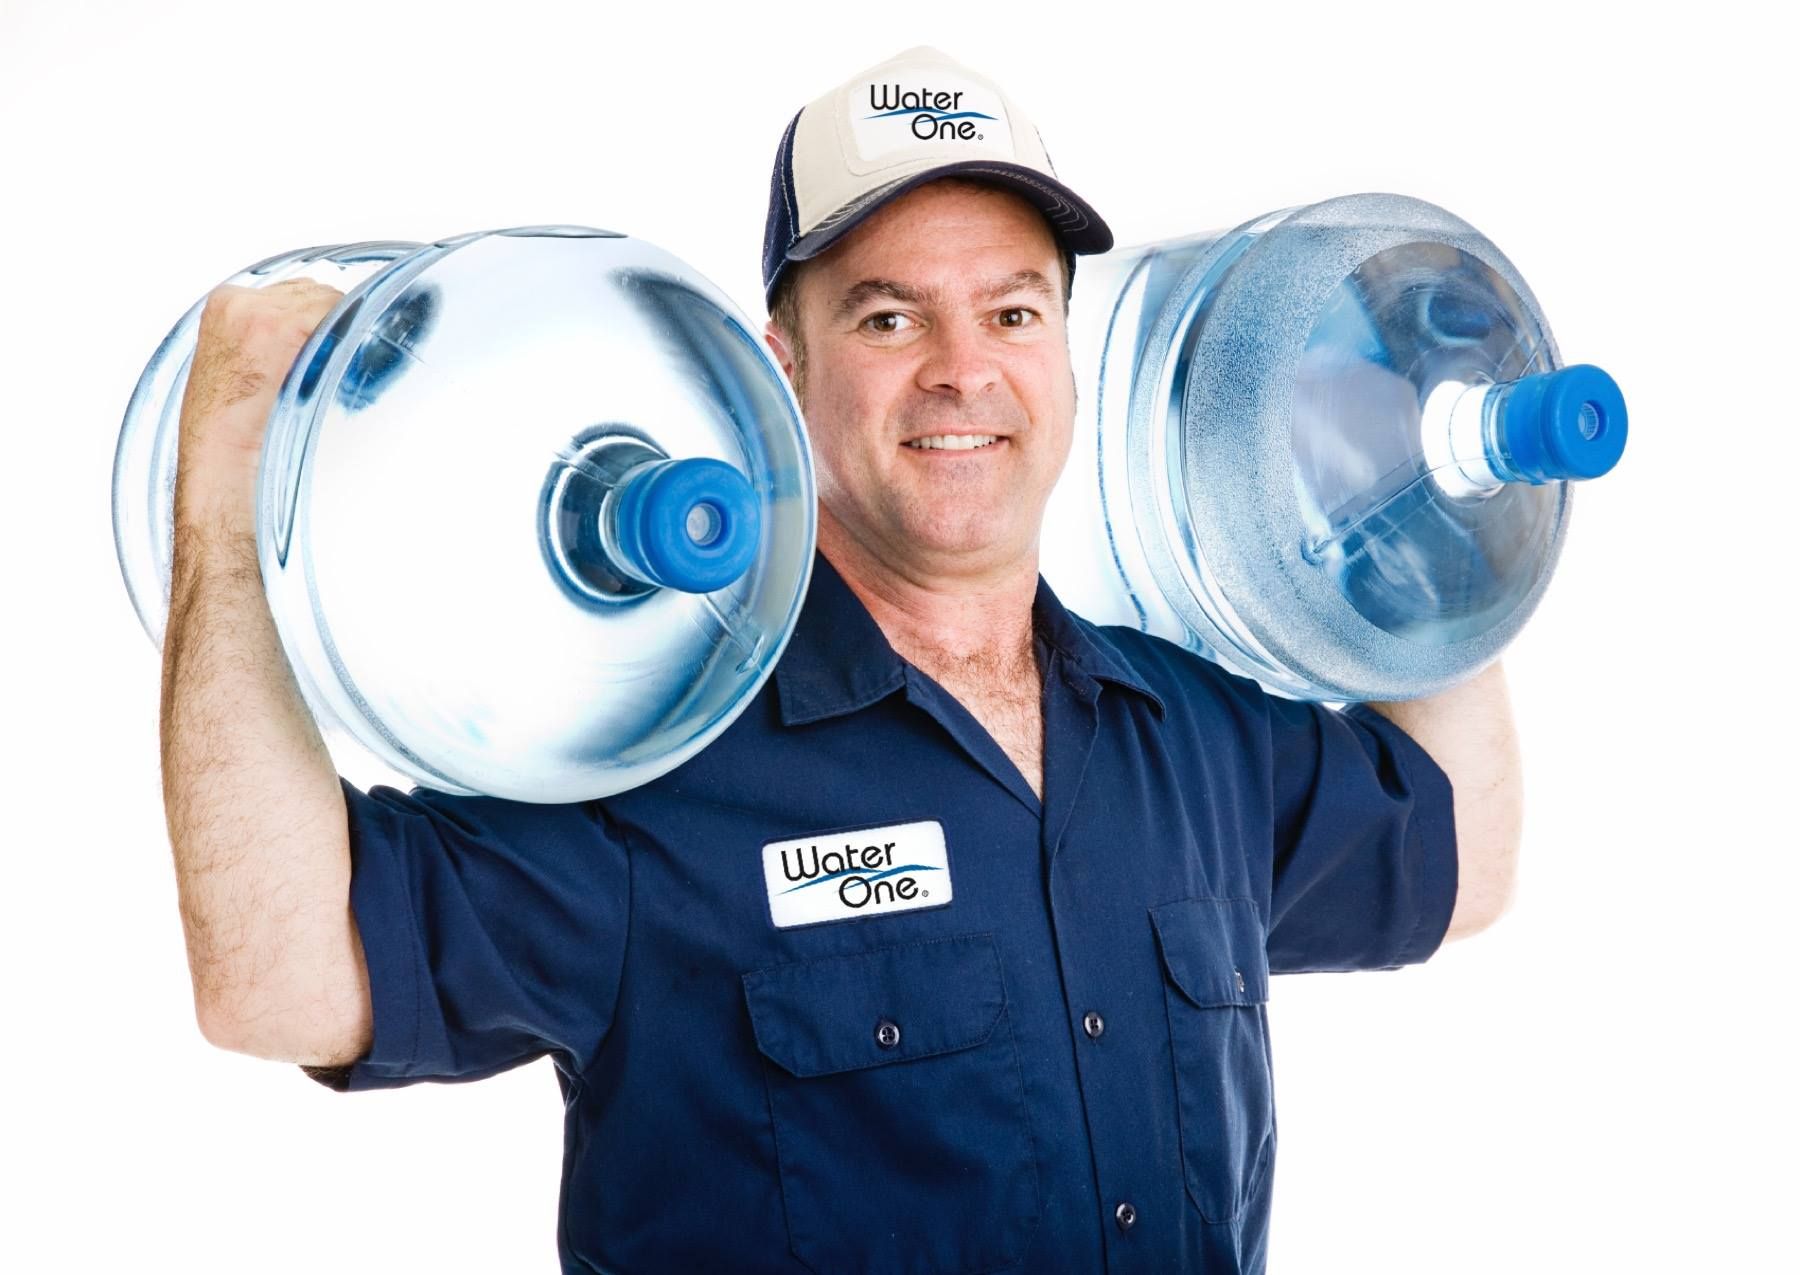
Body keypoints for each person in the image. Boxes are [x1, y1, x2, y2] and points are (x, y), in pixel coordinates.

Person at [164, 44, 1521, 1275]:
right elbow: (280, 979)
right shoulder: (659, 762)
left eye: (1012, 313)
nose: (962, 371)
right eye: (888, 319)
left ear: (1064, 349)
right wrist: (226, 486)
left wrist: (1420, 488)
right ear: (782, 371)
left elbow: (1460, 858)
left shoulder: (1190, 736)